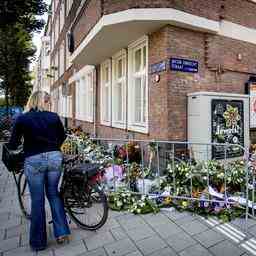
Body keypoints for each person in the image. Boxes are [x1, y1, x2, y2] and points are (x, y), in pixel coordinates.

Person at [8, 91, 70, 251]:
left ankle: (38, 242)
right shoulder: (54, 117)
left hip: (34, 160)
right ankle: (62, 233)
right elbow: (62, 137)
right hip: (55, 158)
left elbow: (13, 143)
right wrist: (51, 146)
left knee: (37, 200)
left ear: (32, 101)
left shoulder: (22, 118)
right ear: (45, 101)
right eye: (48, 101)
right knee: (53, 194)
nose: (49, 103)